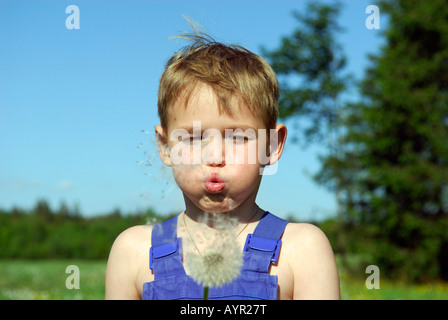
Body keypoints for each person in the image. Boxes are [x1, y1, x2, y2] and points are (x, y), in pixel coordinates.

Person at [105, 32, 340, 300]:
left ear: (272, 146)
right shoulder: (133, 251)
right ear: (165, 146)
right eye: (193, 138)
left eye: (238, 137)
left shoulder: (302, 250)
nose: (214, 156)